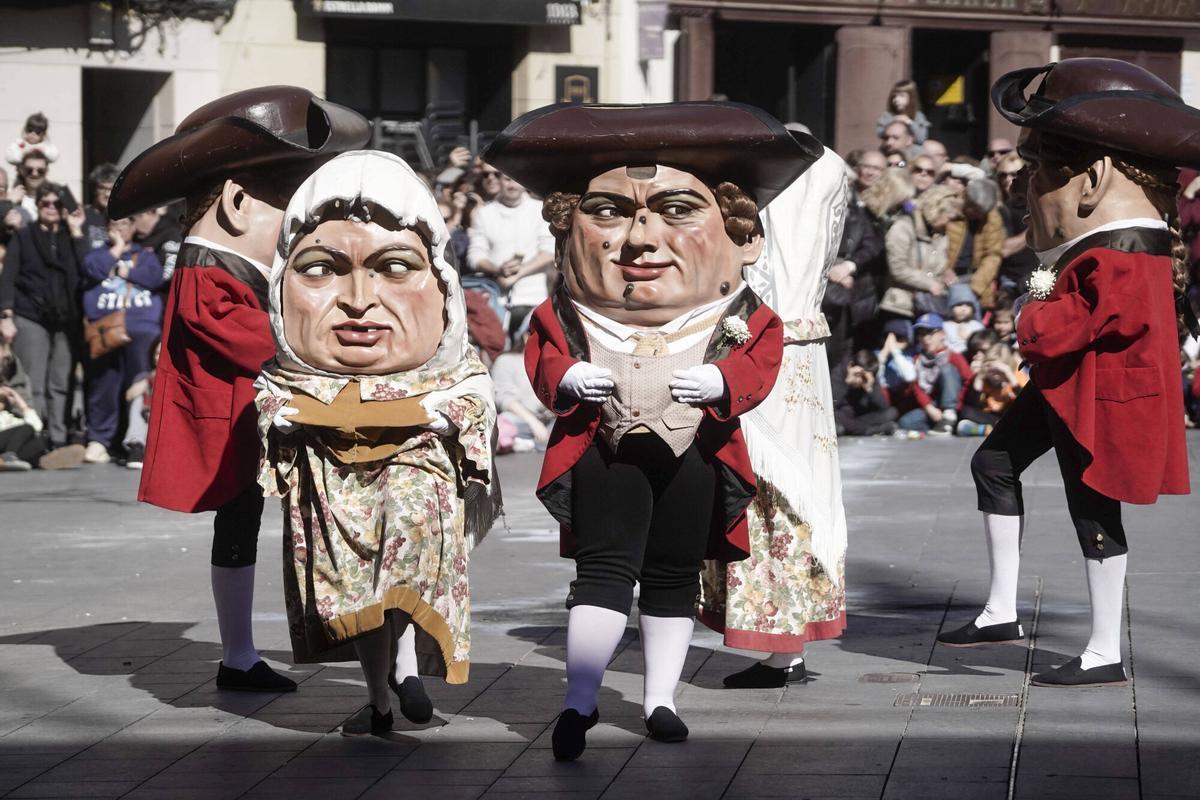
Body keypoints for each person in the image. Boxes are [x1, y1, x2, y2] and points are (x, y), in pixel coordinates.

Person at [488, 101, 812, 759]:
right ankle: (579, 697)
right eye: (607, 211)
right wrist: (568, 380)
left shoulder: (740, 312)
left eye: (676, 211)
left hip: (696, 452)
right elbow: (543, 356)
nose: (639, 239)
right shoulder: (568, 312)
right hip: (607, 451)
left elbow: (762, 357)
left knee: (672, 575)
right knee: (603, 572)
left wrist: (723, 383)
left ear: (738, 235)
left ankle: (660, 698)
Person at [938, 58, 1194, 687]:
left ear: (1094, 178)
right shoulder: (1115, 247)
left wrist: (1033, 310)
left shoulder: (1126, 251)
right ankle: (1001, 610)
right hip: (1072, 388)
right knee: (992, 464)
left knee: (1094, 512)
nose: (1025, 188)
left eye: (1035, 171)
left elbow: (1062, 328)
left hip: (1103, 397)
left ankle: (1105, 649)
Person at [106, 86, 371, 693]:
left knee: (246, 530)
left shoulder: (233, 267)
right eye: (286, 207)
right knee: (245, 530)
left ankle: (246, 652)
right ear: (236, 201)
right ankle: (243, 653)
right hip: (233, 430)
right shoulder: (206, 268)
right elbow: (252, 339)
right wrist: (326, 347)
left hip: (250, 425)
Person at [256, 150, 497, 736]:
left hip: (417, 469)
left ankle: (396, 681)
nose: (359, 300)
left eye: (393, 267)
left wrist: (444, 415)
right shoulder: (286, 375)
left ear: (440, 281)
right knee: (363, 588)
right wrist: (285, 416)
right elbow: (271, 399)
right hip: (331, 483)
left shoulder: (454, 369)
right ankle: (383, 693)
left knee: (403, 574)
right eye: (318, 269)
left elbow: (472, 397)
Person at [702, 146, 849, 689]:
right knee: (801, 488)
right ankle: (787, 642)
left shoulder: (765, 190)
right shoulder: (827, 172)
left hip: (764, 343)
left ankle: (778, 642)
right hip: (805, 348)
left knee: (766, 487)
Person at [0, 183, 87, 448]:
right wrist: (6, 315)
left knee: (61, 380)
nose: (51, 208)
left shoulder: (71, 237)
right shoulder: (24, 236)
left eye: (56, 204)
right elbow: (9, 276)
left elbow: (87, 268)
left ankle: (58, 438)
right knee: (34, 379)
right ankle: (35, 437)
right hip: (30, 315)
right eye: (45, 203)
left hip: (67, 317)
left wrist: (76, 231)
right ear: (37, 206)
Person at [80, 216, 167, 463]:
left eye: (124, 226)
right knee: (104, 384)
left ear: (133, 228)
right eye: (113, 226)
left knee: (141, 384)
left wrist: (124, 269)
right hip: (106, 328)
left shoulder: (146, 255)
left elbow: (154, 278)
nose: (118, 230)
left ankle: (138, 442)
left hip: (142, 328)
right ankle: (100, 440)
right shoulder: (97, 254)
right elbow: (92, 270)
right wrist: (116, 250)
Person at [466, 169, 555, 338]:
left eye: (516, 179)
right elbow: (475, 255)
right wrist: (497, 269)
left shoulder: (539, 210)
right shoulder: (484, 213)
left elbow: (550, 251)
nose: (511, 184)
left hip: (532, 297)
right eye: (507, 179)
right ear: (499, 180)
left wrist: (517, 275)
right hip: (495, 299)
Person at [0, 338, 84, 470]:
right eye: (3, 350)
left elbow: (36, 425)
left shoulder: (10, 414)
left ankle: (40, 459)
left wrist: (20, 403)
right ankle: (12, 457)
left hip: (10, 440)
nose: (6, 355)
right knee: (26, 429)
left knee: (38, 441)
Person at [880, 184, 960, 320]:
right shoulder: (903, 227)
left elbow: (934, 262)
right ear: (936, 211)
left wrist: (944, 272)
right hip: (899, 306)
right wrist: (929, 284)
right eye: (949, 218)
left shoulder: (940, 234)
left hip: (927, 306)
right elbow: (898, 269)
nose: (950, 224)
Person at [893, 312, 969, 434]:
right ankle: (942, 427)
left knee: (947, 369)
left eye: (930, 333)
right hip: (932, 406)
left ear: (942, 334)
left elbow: (968, 380)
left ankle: (949, 418)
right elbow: (916, 387)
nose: (925, 339)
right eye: (921, 334)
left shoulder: (953, 356)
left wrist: (956, 405)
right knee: (905, 423)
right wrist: (929, 408)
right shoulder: (917, 359)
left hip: (953, 405)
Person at [946, 178, 1004, 306]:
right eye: (975, 209)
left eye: (982, 212)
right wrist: (942, 269)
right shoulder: (948, 208)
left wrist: (976, 285)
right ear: (966, 196)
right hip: (946, 275)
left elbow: (993, 255)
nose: (978, 215)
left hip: (973, 277)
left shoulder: (992, 218)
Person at [958, 342, 1026, 436]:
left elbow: (1026, 402)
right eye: (992, 370)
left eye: (998, 370)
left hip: (1009, 415)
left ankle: (993, 429)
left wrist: (1009, 376)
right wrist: (979, 378)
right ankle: (990, 429)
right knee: (966, 412)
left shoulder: (1016, 377)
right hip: (991, 417)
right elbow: (972, 406)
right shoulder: (983, 378)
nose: (995, 375)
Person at [995, 152, 1039, 297]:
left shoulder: (1038, 205)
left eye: (1014, 174)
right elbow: (1003, 248)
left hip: (1041, 278)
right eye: (1003, 175)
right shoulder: (1000, 210)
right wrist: (1037, 226)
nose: (1008, 179)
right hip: (1012, 282)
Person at [833, 348, 897, 436]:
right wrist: (847, 382)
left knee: (891, 412)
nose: (859, 380)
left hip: (859, 417)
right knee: (836, 422)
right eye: (858, 375)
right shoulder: (839, 372)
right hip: (842, 415)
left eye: (864, 378)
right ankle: (871, 430)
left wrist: (870, 389)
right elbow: (832, 405)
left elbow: (884, 406)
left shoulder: (870, 378)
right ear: (850, 366)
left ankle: (856, 430)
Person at [876, 80, 930, 144]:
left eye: (901, 96)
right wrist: (893, 122)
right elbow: (880, 133)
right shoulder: (888, 115)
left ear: (911, 98)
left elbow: (921, 139)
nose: (896, 100)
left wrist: (910, 122)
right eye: (894, 96)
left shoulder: (918, 116)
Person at [83, 164, 120, 252]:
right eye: (102, 188)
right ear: (94, 189)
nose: (107, 194)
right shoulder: (83, 216)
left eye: (111, 189)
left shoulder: (122, 217)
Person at [942, 282, 985, 353]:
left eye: (968, 305)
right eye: (959, 305)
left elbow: (984, 343)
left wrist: (969, 337)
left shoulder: (977, 326)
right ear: (951, 307)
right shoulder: (945, 326)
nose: (963, 309)